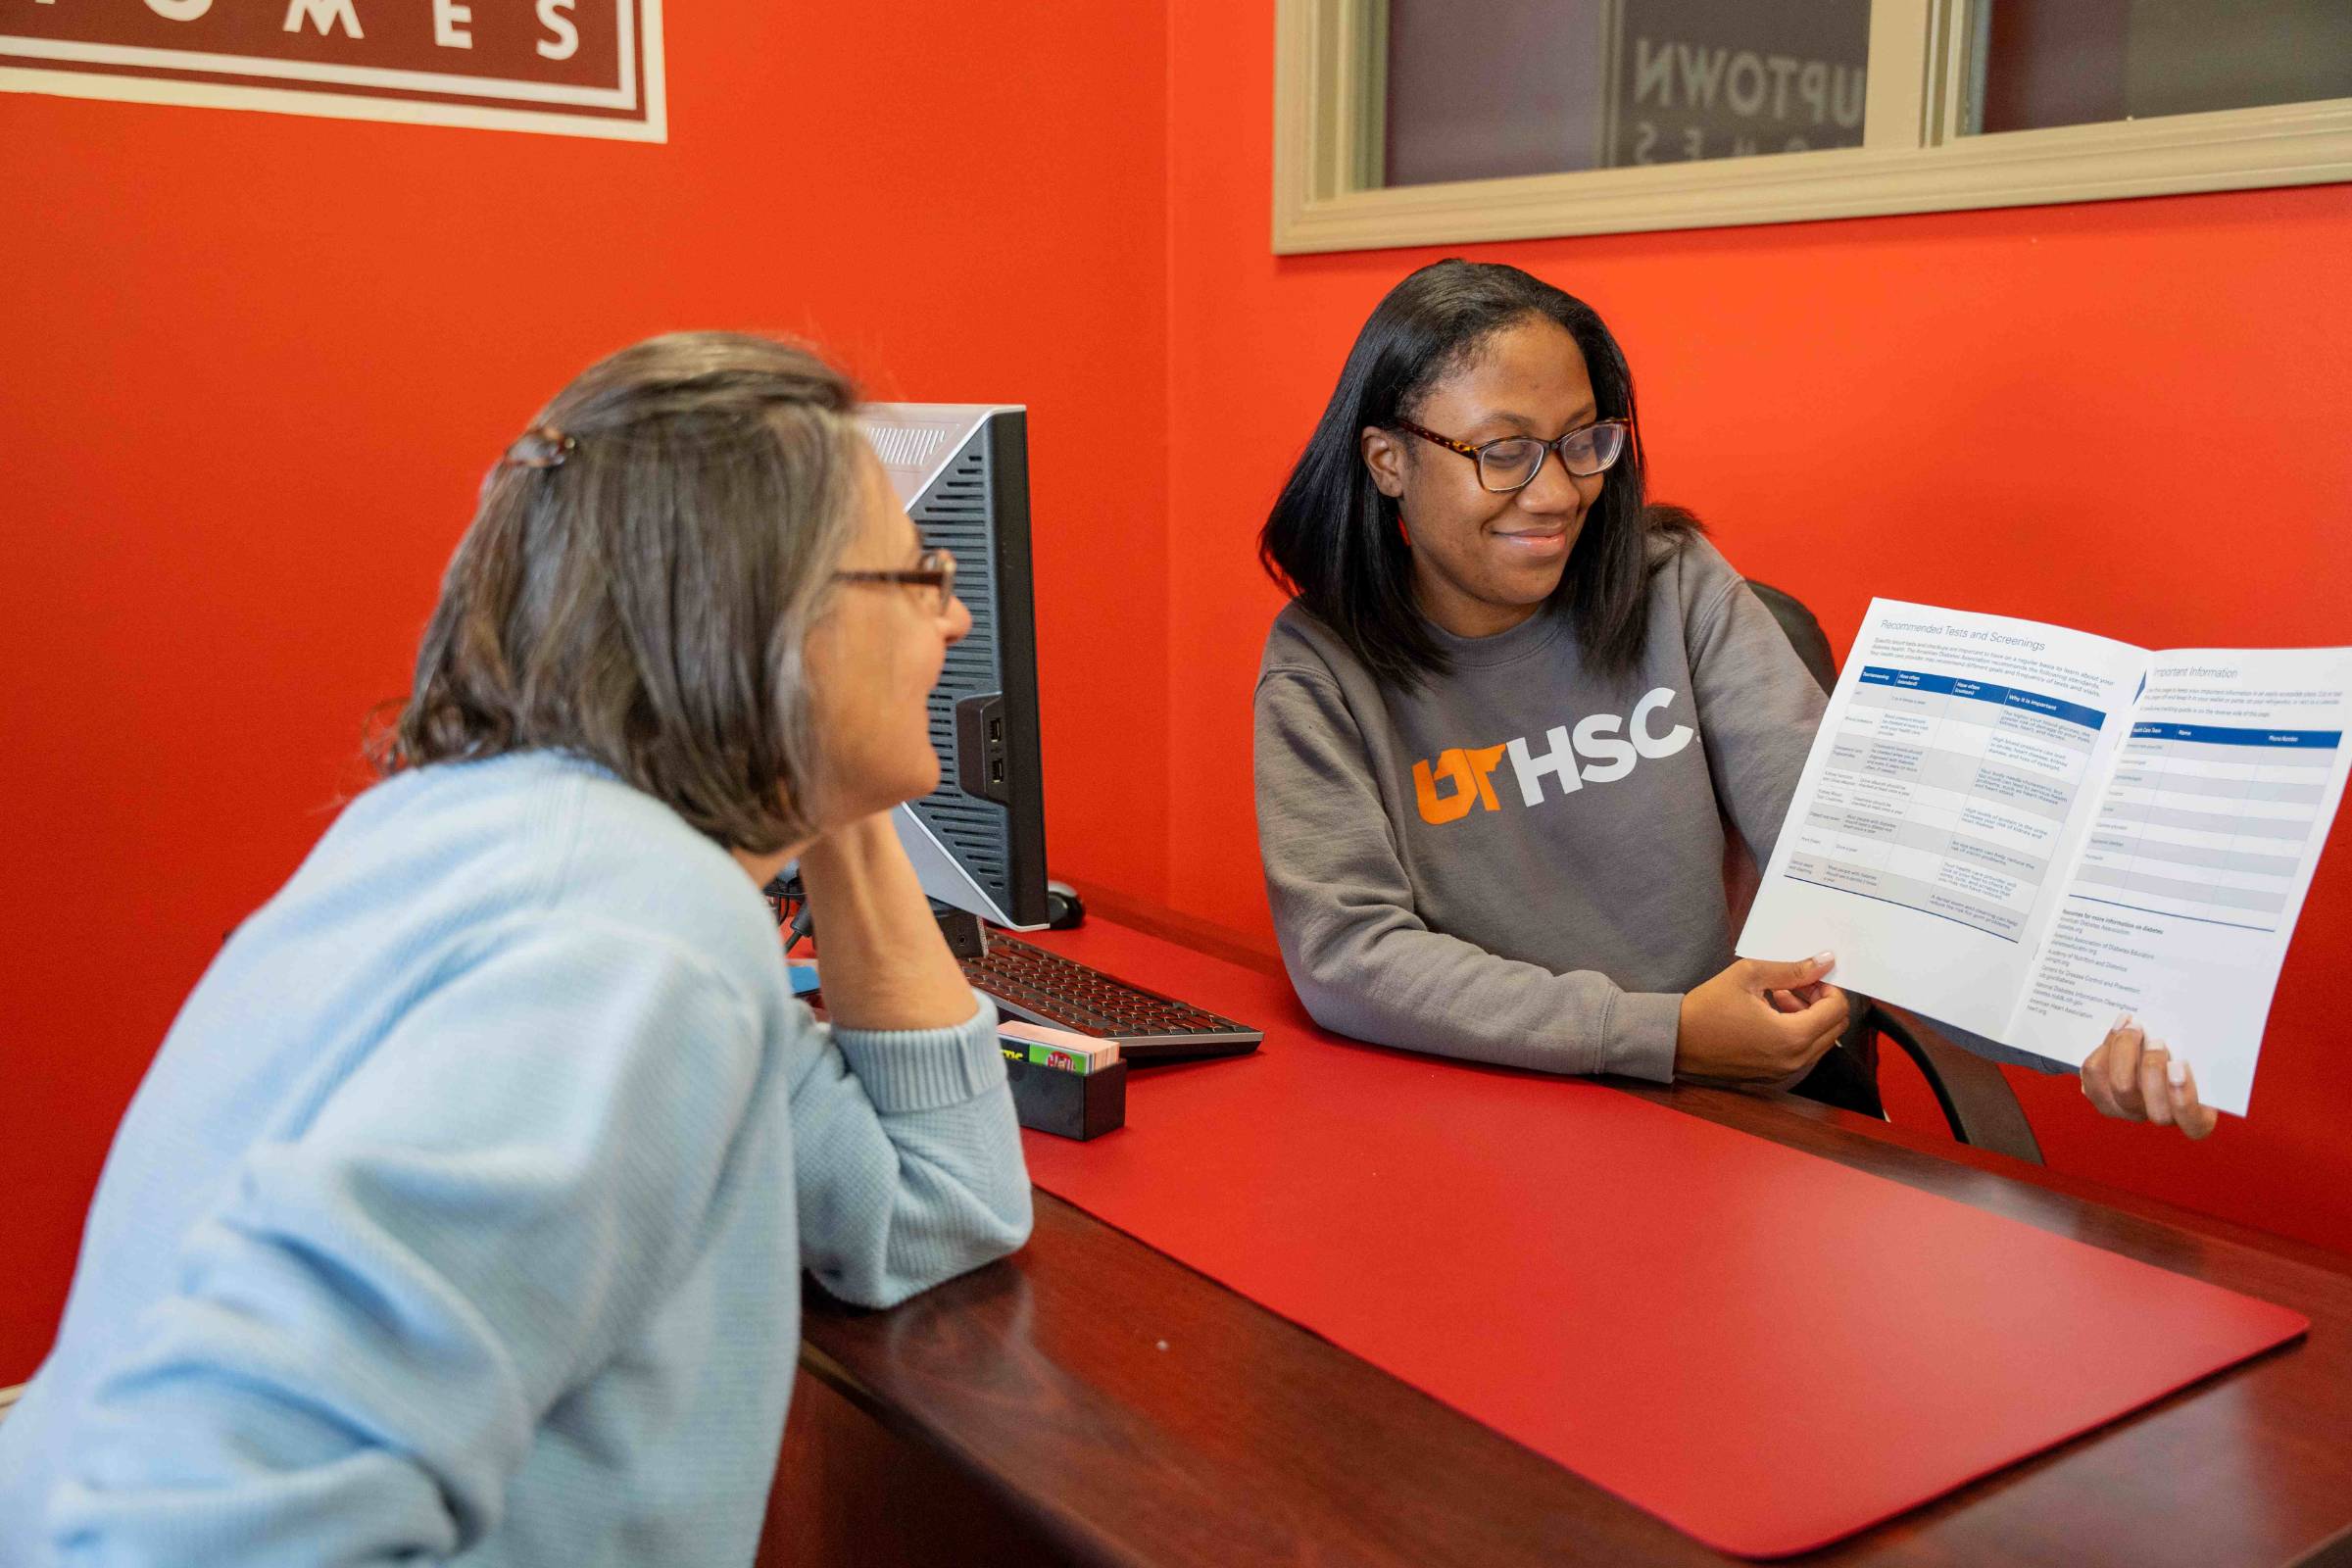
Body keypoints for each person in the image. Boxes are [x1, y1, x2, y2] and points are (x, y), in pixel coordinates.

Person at [0, 332, 1035, 1565]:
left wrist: (827, 788)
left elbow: (931, 1210)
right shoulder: (632, 936)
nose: (957, 615)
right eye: (918, 575)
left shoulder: (512, 838)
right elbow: (189, 1527)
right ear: (773, 619)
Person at [1253, 259, 2216, 1140]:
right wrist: (1664, 1033)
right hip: (1484, 1117)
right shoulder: (1323, 667)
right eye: (1505, 452)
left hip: (1725, 1124)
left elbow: (1852, 865)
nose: (1555, 495)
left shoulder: (1676, 587)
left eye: (1583, 442)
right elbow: (1350, 951)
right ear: (1388, 459)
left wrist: (2082, 1028)